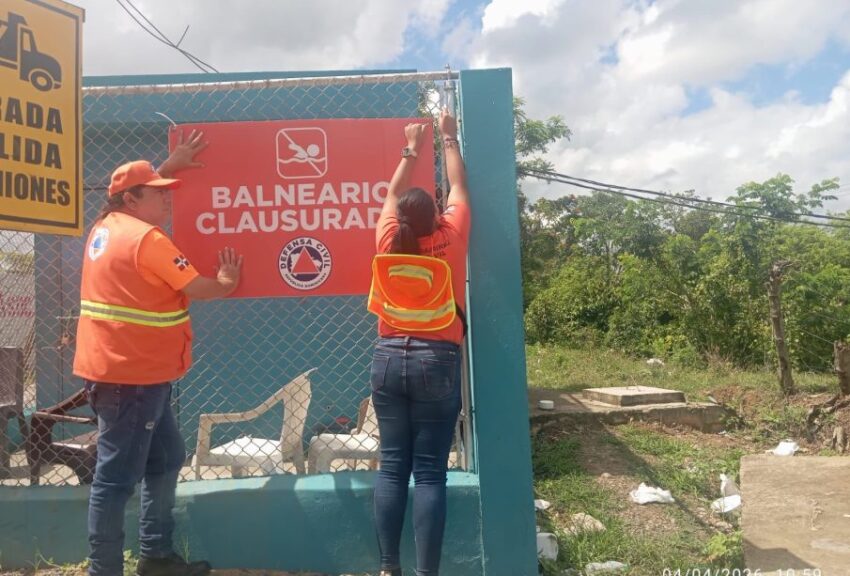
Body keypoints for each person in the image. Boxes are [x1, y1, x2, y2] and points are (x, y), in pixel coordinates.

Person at [73, 130, 244, 576]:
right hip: (134, 377)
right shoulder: (149, 241)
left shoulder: (105, 229)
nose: (168, 202)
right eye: (160, 195)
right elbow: (199, 287)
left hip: (123, 372)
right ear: (132, 200)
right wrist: (226, 282)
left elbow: (133, 192)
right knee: (115, 480)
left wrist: (166, 166)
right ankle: (104, 569)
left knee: (166, 457)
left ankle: (156, 556)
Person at [366, 109, 470, 576]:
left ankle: (389, 567)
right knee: (429, 472)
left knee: (392, 468)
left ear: (400, 220)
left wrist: (410, 146)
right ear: (437, 216)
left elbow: (389, 193)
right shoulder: (450, 238)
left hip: (388, 358)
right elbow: (460, 190)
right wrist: (449, 138)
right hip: (437, 361)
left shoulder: (388, 241)